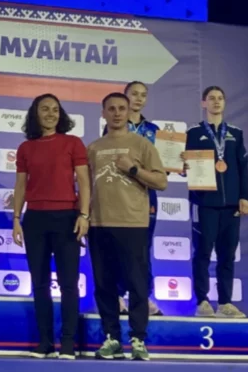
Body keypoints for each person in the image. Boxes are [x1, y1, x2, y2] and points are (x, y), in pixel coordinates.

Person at [88, 92, 167, 361]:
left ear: (128, 111)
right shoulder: (93, 148)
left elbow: (161, 182)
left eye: (121, 108)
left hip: (133, 224)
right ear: (103, 113)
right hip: (99, 224)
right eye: (111, 109)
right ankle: (111, 338)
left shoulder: (142, 144)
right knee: (104, 285)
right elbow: (84, 186)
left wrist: (133, 169)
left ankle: (138, 339)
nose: (117, 113)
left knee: (137, 284)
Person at [12, 94, 90, 360]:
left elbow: (84, 182)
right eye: (45, 109)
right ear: (35, 114)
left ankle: (68, 344)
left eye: (55, 109)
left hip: (67, 218)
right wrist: (16, 218)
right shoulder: (25, 148)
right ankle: (45, 343)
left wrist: (84, 215)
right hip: (35, 219)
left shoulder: (73, 143)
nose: (50, 114)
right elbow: (21, 185)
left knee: (69, 284)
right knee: (39, 284)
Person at [183, 86, 248, 318]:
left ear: (225, 103)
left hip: (230, 205)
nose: (216, 102)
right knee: (202, 252)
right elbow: (184, 165)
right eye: (211, 98)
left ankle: (225, 303)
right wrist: (183, 165)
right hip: (204, 203)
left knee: (227, 255)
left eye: (220, 98)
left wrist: (244, 196)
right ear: (204, 103)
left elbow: (243, 167)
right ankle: (202, 301)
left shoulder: (235, 133)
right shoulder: (193, 133)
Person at [102, 81, 163, 316]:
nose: (138, 99)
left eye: (143, 95)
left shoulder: (155, 130)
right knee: (118, 246)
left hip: (146, 195)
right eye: (134, 94)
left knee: (143, 247)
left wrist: (178, 165)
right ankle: (117, 296)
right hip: (119, 193)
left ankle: (143, 297)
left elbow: (162, 168)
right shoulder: (113, 127)